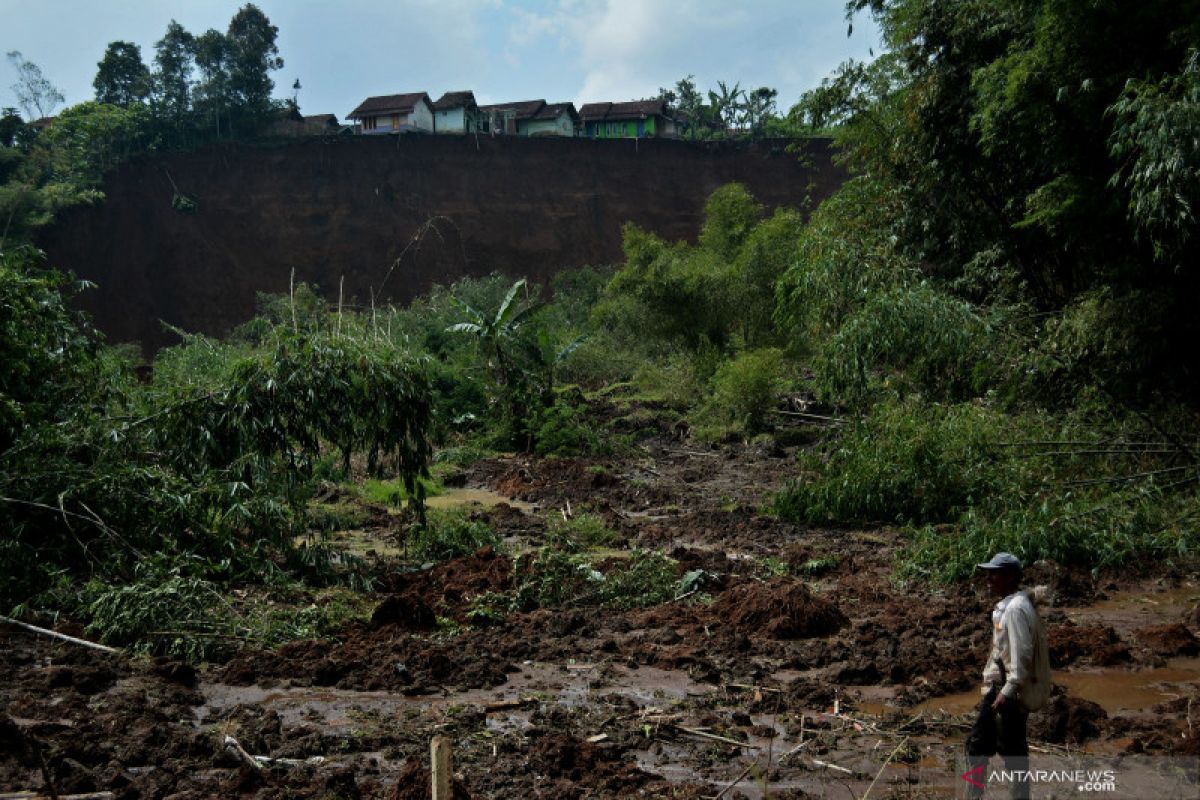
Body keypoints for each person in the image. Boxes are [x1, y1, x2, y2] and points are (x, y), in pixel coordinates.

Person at [964, 552, 1051, 800]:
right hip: (1006, 689)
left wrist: (1007, 691)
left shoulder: (1014, 610)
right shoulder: (1017, 605)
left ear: (1011, 576)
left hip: (1005, 691)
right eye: (989, 573)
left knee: (979, 747)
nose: (989, 578)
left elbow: (1021, 656)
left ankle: (975, 796)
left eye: (995, 573)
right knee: (1010, 753)